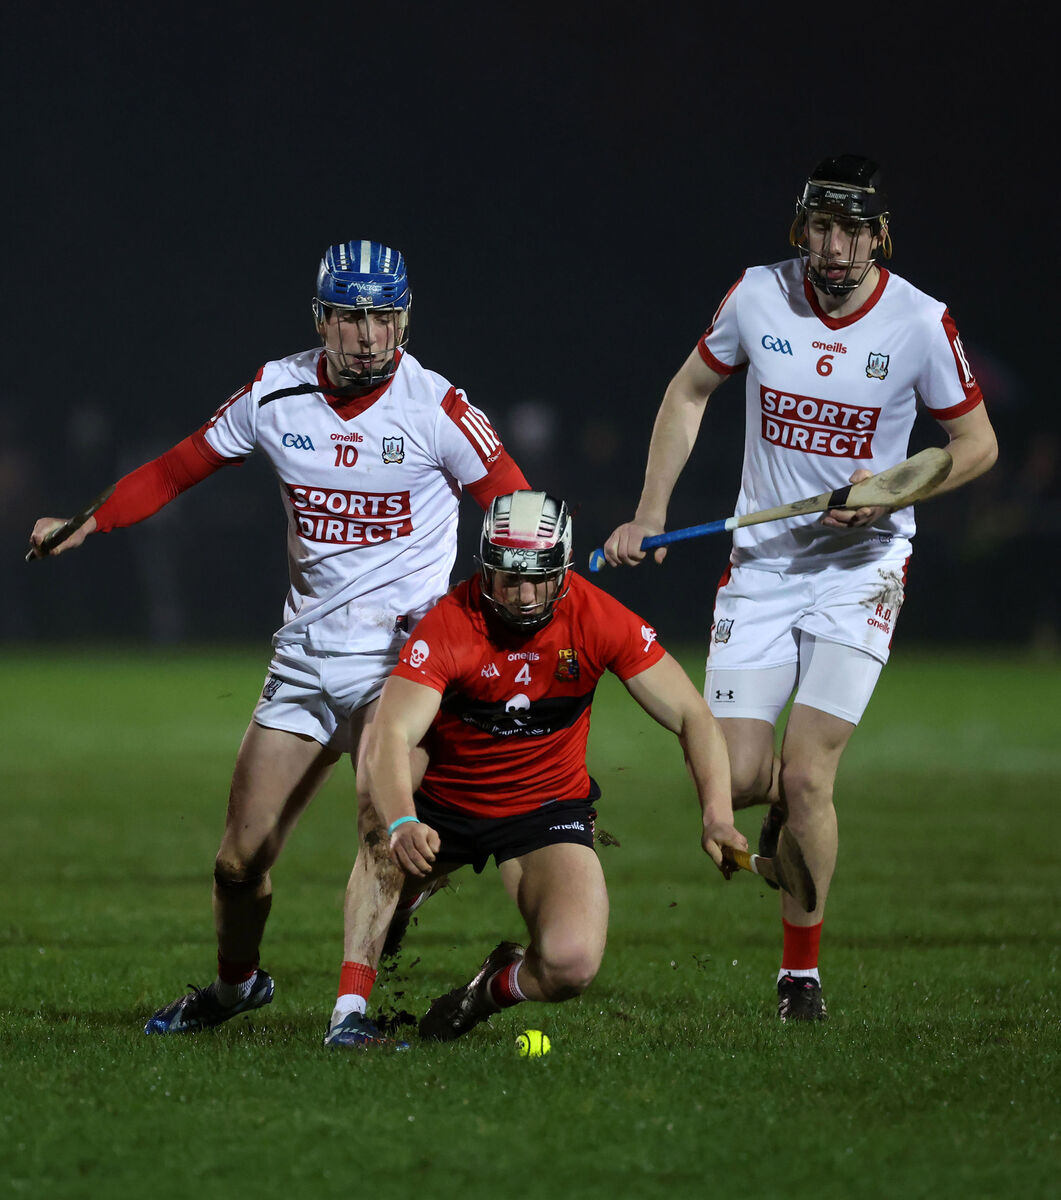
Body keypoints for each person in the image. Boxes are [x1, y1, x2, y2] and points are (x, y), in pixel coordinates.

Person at [28, 240, 528, 1044]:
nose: (366, 335)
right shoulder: (275, 390)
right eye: (349, 316)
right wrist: (89, 521)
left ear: (403, 320)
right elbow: (178, 467)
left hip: (403, 668)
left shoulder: (437, 407)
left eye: (381, 317)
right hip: (302, 662)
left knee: (378, 833)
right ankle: (236, 988)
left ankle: (352, 1010)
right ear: (321, 320)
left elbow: (516, 508)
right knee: (238, 863)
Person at [602, 155, 998, 1021]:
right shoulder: (755, 295)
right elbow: (688, 391)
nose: (834, 247)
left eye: (852, 230)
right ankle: (781, 808)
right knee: (740, 777)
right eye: (821, 227)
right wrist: (647, 512)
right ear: (800, 229)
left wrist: (896, 492)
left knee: (810, 775)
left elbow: (975, 445)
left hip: (862, 570)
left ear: (877, 236)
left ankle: (798, 977)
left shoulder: (921, 322)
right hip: (762, 570)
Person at [354, 490, 745, 1043]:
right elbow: (392, 734)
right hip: (445, 807)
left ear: (561, 570)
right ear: (485, 569)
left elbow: (692, 716)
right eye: (508, 577)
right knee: (379, 823)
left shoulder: (596, 617)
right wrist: (399, 824)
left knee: (571, 964)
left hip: (544, 810)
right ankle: (356, 997)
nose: (523, 594)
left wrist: (718, 817)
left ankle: (486, 991)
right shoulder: (449, 623)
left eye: (538, 576)